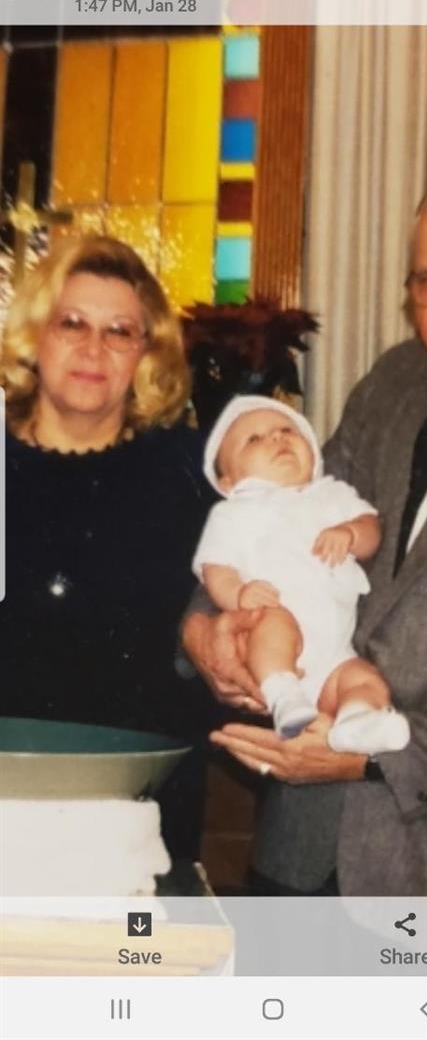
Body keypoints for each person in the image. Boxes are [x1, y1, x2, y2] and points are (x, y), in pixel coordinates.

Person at [183, 163, 427, 895]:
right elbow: (276, 509)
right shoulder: (395, 379)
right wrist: (205, 634)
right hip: (301, 840)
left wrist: (377, 757)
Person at [1, 235, 217, 859]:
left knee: (137, 957)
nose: (94, 348)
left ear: (146, 354)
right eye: (72, 323)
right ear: (34, 337)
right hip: (4, 811)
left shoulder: (192, 472)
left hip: (136, 822)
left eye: (120, 331)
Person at [193, 394, 409, 752]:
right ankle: (284, 697)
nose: (277, 439)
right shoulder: (233, 513)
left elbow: (373, 530)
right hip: (274, 622)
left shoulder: (332, 494)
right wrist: (238, 596)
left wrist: (352, 533)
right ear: (228, 479)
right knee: (276, 623)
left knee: (362, 677)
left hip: (337, 649)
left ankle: (358, 720)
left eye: (287, 430)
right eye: (255, 439)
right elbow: (215, 568)